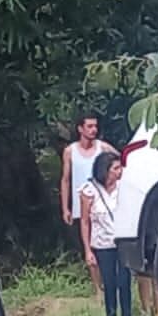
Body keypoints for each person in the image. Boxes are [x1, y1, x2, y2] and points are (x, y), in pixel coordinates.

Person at [81, 151, 134, 316]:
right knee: (109, 284)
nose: (119, 172)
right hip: (102, 244)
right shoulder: (89, 190)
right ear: (105, 170)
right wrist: (88, 250)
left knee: (124, 281)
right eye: (115, 168)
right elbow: (85, 221)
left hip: (122, 240)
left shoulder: (124, 187)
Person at [60, 114, 118, 287]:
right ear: (80, 129)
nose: (94, 130)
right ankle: (97, 287)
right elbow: (65, 179)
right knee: (89, 246)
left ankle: (111, 282)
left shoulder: (104, 148)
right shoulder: (70, 151)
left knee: (107, 243)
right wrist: (66, 208)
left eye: (95, 126)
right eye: (90, 126)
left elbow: (121, 161)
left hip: (104, 202)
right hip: (83, 203)